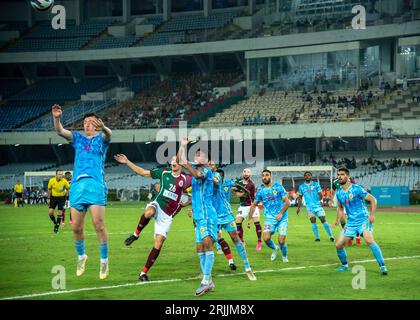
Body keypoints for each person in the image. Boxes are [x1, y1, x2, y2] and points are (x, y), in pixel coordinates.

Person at [52, 104, 112, 280]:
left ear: (97, 124)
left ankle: (104, 262)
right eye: (84, 122)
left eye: (90, 122)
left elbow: (109, 135)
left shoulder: (102, 139)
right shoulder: (78, 139)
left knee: (98, 224)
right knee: (76, 227)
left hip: (95, 185)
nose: (86, 124)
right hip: (77, 187)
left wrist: (104, 128)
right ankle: (81, 257)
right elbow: (60, 131)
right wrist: (56, 118)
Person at [116, 154, 191, 281]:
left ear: (181, 164)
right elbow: (142, 172)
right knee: (149, 212)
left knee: (158, 243)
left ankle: (143, 273)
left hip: (167, 215)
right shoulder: (163, 173)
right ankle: (135, 234)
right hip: (158, 204)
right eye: (172, 160)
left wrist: (188, 203)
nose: (174, 162)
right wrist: (127, 161)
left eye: (177, 161)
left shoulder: (186, 178)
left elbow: (198, 185)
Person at [178, 137, 217, 296]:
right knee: (199, 248)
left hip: (208, 215)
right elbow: (181, 160)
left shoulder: (207, 170)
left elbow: (197, 174)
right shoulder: (194, 166)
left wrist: (187, 163)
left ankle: (205, 281)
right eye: (196, 153)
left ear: (207, 160)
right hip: (199, 216)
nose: (196, 155)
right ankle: (208, 280)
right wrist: (182, 145)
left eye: (200, 154)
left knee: (208, 245)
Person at [333, 167, 388, 275]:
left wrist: (372, 215)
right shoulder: (339, 192)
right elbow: (340, 207)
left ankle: (382, 266)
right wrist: (340, 218)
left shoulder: (357, 189)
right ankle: (344, 266)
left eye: (342, 174)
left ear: (347, 177)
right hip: (351, 222)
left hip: (363, 219)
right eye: (338, 174)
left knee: (369, 240)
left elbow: (373, 199)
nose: (339, 176)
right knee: (338, 245)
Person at [213, 168, 256, 281]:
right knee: (218, 239)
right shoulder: (210, 185)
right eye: (215, 176)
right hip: (215, 218)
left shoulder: (228, 183)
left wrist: (245, 191)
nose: (216, 178)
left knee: (236, 238)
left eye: (218, 176)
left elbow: (237, 185)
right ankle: (230, 261)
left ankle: (247, 266)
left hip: (227, 217)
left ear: (222, 176)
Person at [247, 169, 290, 262]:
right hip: (270, 219)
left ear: (270, 176)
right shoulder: (260, 191)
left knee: (281, 241)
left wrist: (281, 213)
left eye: (267, 175)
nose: (264, 177)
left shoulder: (278, 187)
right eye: (263, 175)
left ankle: (284, 256)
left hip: (282, 218)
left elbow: (287, 202)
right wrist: (249, 219)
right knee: (266, 238)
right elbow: (254, 205)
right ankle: (275, 248)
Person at [296, 172, 334, 242]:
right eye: (306, 175)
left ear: (311, 176)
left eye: (309, 175)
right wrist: (299, 207)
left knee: (323, 219)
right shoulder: (301, 187)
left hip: (317, 206)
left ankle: (331, 236)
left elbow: (320, 194)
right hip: (309, 208)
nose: (307, 176)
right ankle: (317, 238)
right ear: (304, 177)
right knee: (313, 221)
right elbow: (300, 198)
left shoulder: (316, 184)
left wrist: (320, 199)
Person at [235, 168, 262, 251]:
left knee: (257, 223)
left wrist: (241, 193)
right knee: (238, 223)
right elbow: (237, 194)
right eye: (244, 172)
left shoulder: (251, 184)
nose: (246, 173)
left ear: (250, 174)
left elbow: (245, 195)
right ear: (242, 173)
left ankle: (259, 241)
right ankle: (242, 241)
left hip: (252, 205)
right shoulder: (239, 182)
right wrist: (241, 193)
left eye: (248, 172)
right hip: (242, 206)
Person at [47, 169, 70, 234]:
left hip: (62, 198)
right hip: (53, 198)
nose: (60, 175)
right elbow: (49, 189)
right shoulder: (51, 180)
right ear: (56, 175)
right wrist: (48, 198)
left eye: (61, 174)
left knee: (59, 212)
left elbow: (68, 189)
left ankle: (56, 229)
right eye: (59, 174)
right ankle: (55, 223)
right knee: (50, 212)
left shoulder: (64, 181)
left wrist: (67, 199)